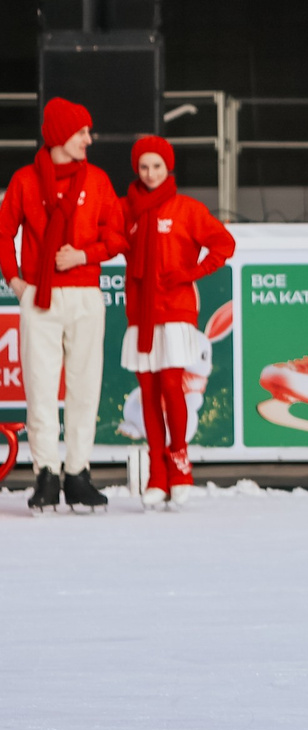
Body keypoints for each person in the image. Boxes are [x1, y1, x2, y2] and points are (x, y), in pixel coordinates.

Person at [0, 100, 126, 511]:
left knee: (85, 387)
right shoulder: (24, 181)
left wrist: (84, 256)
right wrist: (17, 283)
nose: (89, 139)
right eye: (81, 132)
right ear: (58, 136)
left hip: (86, 293)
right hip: (41, 295)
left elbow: (118, 236)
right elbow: (4, 234)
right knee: (39, 387)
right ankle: (46, 474)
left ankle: (77, 473)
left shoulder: (98, 180)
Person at [119, 134, 236, 507]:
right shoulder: (127, 209)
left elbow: (223, 244)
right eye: (143, 167)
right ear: (136, 169)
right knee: (149, 391)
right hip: (141, 313)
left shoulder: (186, 208)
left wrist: (190, 272)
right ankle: (157, 471)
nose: (150, 174)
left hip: (175, 311)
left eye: (156, 166)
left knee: (172, 387)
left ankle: (180, 463)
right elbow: (105, 240)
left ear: (168, 167)